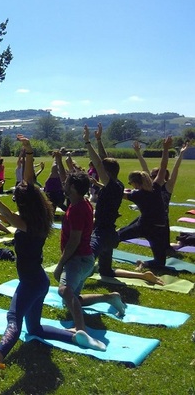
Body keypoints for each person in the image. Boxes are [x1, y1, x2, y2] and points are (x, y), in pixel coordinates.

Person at [0, 136, 103, 372]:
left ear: (23, 204)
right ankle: (76, 336)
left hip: (31, 282)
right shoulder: (41, 217)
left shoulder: (26, 224)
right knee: (34, 329)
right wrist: (29, 152)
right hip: (39, 282)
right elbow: (30, 187)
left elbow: (6, 213)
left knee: (13, 319)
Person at [84, 125, 163, 285]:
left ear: (107, 173)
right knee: (106, 271)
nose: (99, 171)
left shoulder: (112, 185)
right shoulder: (117, 184)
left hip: (101, 234)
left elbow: (100, 164)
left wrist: (87, 142)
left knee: (82, 261)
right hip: (111, 234)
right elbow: (104, 162)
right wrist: (99, 139)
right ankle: (144, 276)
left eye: (102, 171)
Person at [53, 165, 126, 337]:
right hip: (86, 258)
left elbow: (74, 240)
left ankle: (80, 329)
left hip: (77, 259)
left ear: (72, 188)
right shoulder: (81, 202)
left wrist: (60, 264)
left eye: (66, 183)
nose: (63, 184)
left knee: (64, 291)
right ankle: (110, 297)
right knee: (72, 300)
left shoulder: (77, 209)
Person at [118, 137, 172, 270]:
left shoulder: (137, 194)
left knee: (115, 237)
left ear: (136, 183)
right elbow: (163, 167)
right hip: (158, 229)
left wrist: (100, 185)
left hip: (144, 226)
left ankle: (96, 255)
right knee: (160, 262)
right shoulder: (156, 186)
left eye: (131, 183)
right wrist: (165, 149)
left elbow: (117, 194)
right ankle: (146, 264)